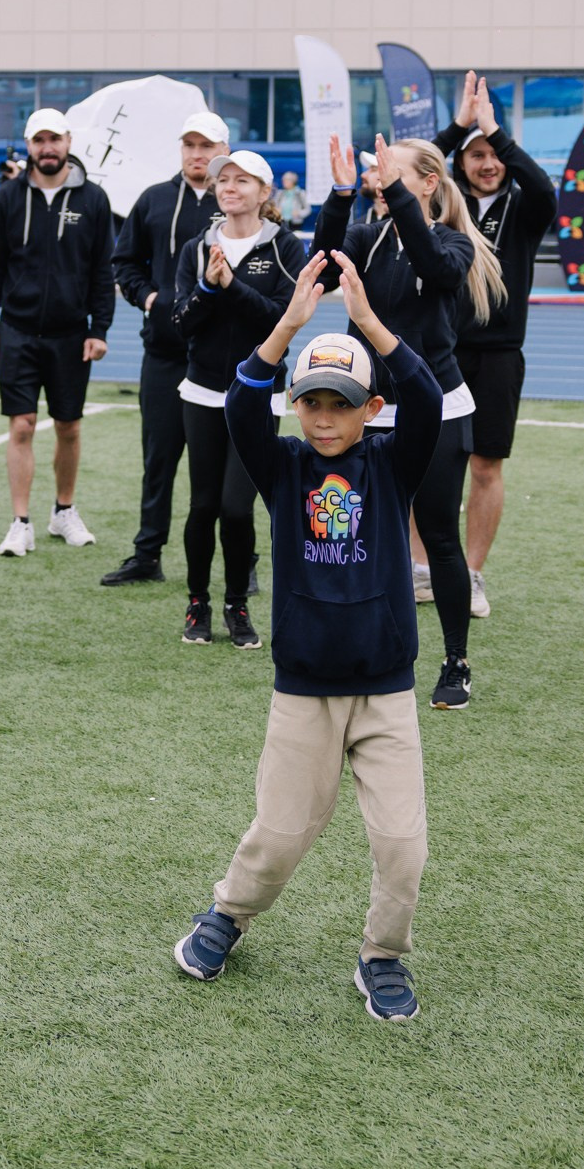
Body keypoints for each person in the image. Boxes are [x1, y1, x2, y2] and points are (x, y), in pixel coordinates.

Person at [170, 252, 442, 1023]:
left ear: (369, 409)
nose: (325, 418)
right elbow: (238, 405)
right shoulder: (283, 467)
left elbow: (425, 399)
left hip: (386, 691)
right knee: (280, 834)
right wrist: (288, 324)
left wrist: (369, 325)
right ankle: (228, 914)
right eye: (312, 402)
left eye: (342, 404)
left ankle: (382, 955)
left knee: (403, 847)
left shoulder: (393, 464)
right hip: (306, 691)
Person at [317, 135, 507, 711]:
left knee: (439, 538)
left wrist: (394, 193)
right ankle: (362, 647)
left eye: (391, 171)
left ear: (426, 183)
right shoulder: (366, 238)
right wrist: (340, 192)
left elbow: (433, 266)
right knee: (357, 533)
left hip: (436, 407)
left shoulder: (452, 244)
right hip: (368, 408)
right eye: (379, 171)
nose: (380, 177)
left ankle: (455, 661)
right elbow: (322, 267)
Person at [173, 148, 321, 649]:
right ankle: (198, 603)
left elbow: (282, 320)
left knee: (238, 508)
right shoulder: (198, 246)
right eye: (223, 180)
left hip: (257, 395)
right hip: (201, 392)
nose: (229, 187)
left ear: (265, 193)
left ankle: (237, 603)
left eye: (242, 180)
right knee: (202, 506)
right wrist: (209, 290)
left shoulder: (285, 248)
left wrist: (230, 286)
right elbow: (179, 323)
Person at [432, 72, 555, 619]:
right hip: (437, 352)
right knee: (427, 463)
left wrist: (495, 132)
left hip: (500, 355)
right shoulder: (439, 208)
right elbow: (411, 171)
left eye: (494, 154)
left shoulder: (526, 210)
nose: (488, 163)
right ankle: (421, 569)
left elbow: (546, 187)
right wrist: (459, 127)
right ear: (460, 161)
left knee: (485, 466)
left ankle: (473, 574)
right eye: (475, 154)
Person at [104, 112, 228, 586]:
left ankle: (239, 559)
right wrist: (149, 298)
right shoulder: (154, 199)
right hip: (164, 353)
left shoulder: (236, 200)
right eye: (190, 145)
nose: (198, 154)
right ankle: (147, 554)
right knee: (158, 458)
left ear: (224, 148)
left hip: (222, 359)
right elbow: (125, 261)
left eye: (207, 146)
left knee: (219, 467)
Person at [0, 107, 114, 555]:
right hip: (17, 331)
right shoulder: (5, 197)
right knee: (21, 426)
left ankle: (63, 511)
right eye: (39, 141)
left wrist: (101, 328)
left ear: (68, 142)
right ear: (29, 146)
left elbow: (102, 269)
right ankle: (20, 522)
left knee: (69, 427)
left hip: (71, 334)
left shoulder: (93, 200)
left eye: (54, 140)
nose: (47, 148)